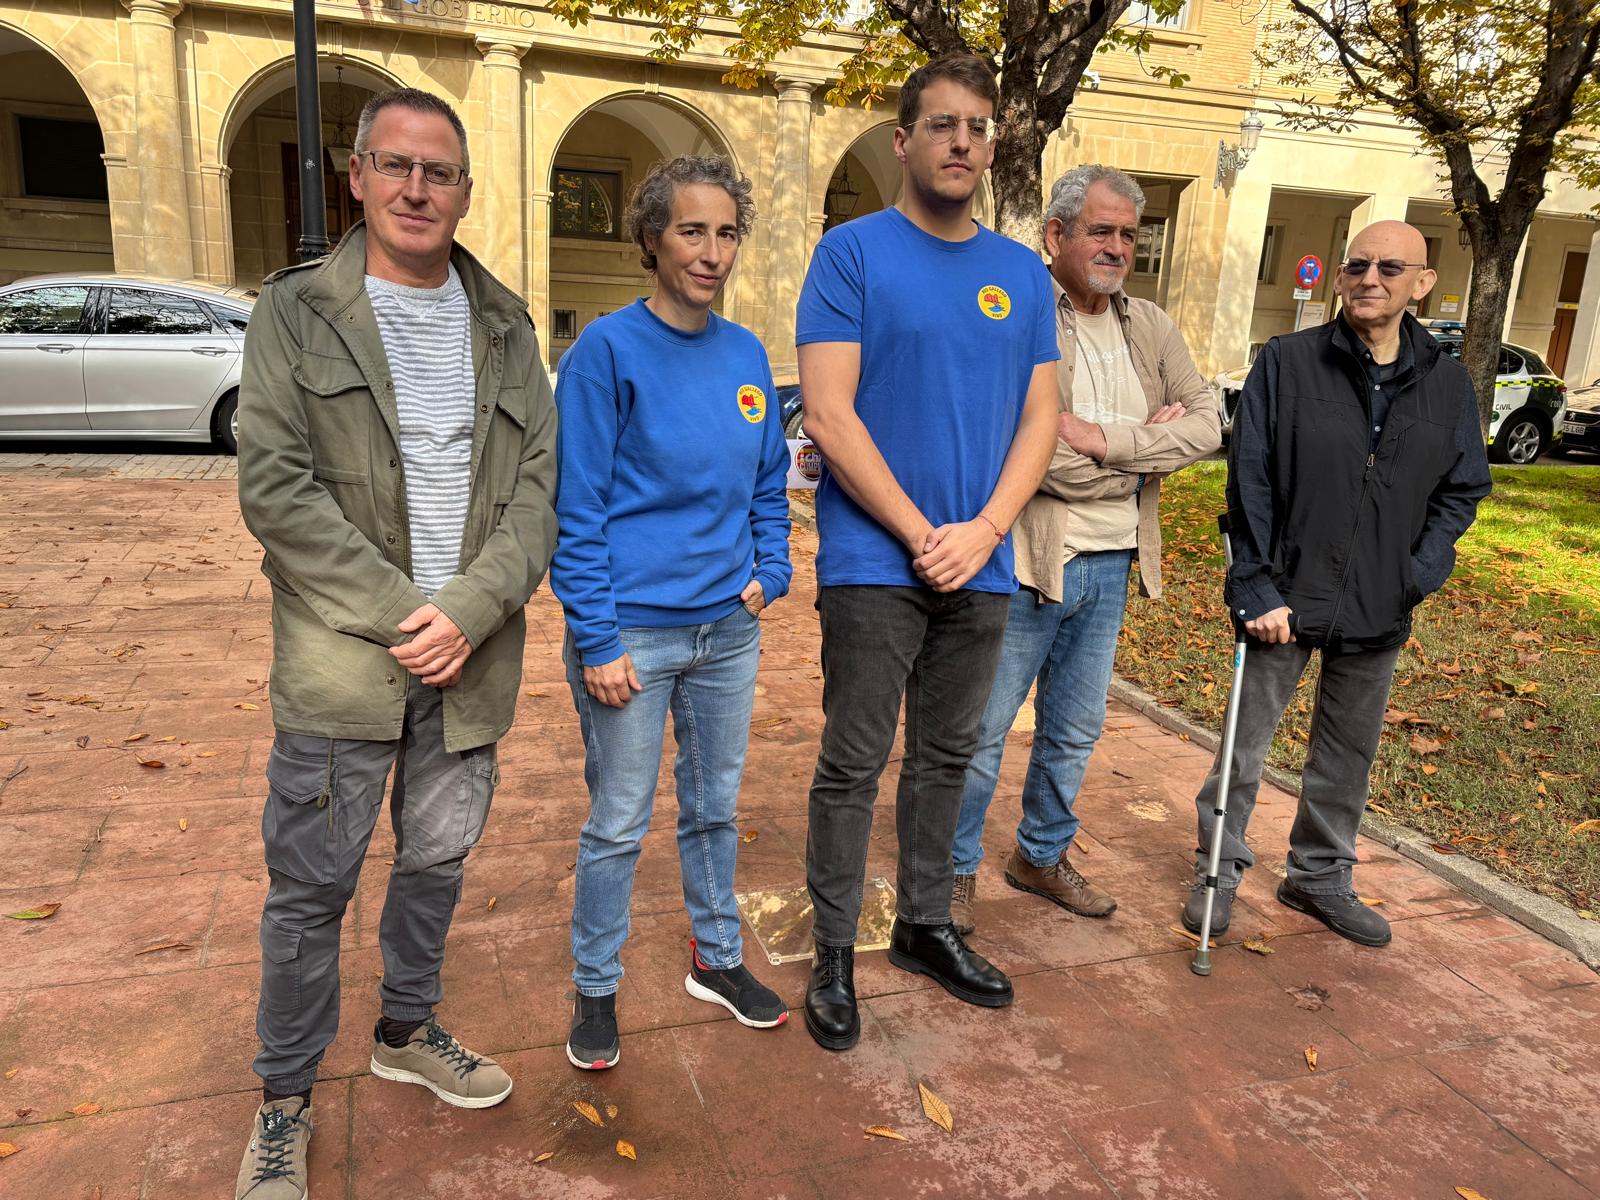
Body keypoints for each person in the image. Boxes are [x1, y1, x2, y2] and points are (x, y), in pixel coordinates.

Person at [233, 88, 557, 1199]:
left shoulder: (508, 325)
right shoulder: (296, 313)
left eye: (443, 171)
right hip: (344, 663)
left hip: (468, 665)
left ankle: (406, 1031)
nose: (420, 189)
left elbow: (536, 496)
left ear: (466, 190)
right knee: (310, 890)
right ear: (358, 176)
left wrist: (464, 612)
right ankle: (283, 1100)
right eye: (398, 166)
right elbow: (276, 489)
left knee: (433, 866)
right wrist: (401, 612)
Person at [795, 54, 1060, 1052]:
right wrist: (917, 534)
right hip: (875, 563)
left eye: (978, 128)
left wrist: (984, 531)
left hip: (980, 563)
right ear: (902, 141)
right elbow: (827, 410)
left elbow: (1040, 419)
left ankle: (923, 925)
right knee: (853, 764)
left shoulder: (1019, 273)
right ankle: (831, 951)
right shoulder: (852, 254)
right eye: (941, 125)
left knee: (947, 756)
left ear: (991, 145)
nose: (961, 142)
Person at [1182, 219, 1491, 947]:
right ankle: (1216, 872)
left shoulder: (1448, 386)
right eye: (1357, 265)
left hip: (1380, 601)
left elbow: (1462, 488)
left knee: (1348, 754)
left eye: (1390, 267)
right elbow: (1249, 478)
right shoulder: (1287, 362)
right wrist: (1254, 585)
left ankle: (1318, 876)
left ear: (1422, 285)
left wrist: (1418, 572)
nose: (1369, 278)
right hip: (1283, 595)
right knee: (1244, 746)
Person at [552, 155, 793, 1071]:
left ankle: (717, 959)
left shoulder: (743, 355)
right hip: (634, 637)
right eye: (692, 230)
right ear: (651, 237)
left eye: (727, 232)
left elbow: (770, 481)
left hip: (727, 633)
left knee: (714, 806)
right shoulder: (605, 353)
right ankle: (596, 985)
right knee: (618, 820)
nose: (713, 251)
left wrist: (770, 569)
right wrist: (599, 637)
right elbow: (575, 507)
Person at [950, 165, 1221, 933]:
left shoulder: (1150, 325)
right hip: (1030, 560)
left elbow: (1206, 425)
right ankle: (951, 872)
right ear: (1057, 235)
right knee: (983, 728)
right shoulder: (1021, 314)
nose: (1116, 247)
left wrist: (1105, 441)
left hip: (1115, 561)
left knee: (1073, 729)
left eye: (1128, 234)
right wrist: (1145, 450)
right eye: (1099, 230)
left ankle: (1040, 855)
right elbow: (1023, 447)